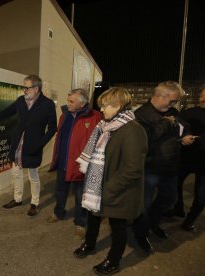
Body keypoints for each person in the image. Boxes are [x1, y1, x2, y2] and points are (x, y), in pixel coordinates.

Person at [72, 87, 147, 275]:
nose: (102, 110)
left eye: (105, 106)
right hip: (100, 185)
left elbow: (132, 169)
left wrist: (108, 189)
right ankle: (89, 244)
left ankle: (113, 260)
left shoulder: (133, 131)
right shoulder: (104, 126)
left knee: (117, 226)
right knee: (93, 216)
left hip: (119, 190)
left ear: (118, 105)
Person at [0, 75, 56, 217]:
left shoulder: (47, 104)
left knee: (33, 176)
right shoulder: (20, 101)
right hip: (18, 144)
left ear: (36, 88)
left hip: (33, 146)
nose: (24, 90)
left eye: (27, 87)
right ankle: (17, 199)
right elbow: (5, 112)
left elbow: (53, 128)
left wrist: (40, 144)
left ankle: (34, 204)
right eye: (23, 87)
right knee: (16, 173)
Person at [132, 81, 195, 253]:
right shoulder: (141, 114)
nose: (174, 105)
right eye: (173, 101)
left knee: (169, 199)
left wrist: (186, 134)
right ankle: (140, 233)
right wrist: (165, 123)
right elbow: (145, 140)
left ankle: (153, 222)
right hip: (150, 167)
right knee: (143, 206)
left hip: (170, 166)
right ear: (161, 96)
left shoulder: (172, 111)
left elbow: (183, 125)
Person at [48, 89, 102, 235]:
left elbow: (100, 142)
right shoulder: (64, 115)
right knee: (60, 191)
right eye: (68, 100)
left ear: (82, 103)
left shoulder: (96, 117)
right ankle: (58, 212)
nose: (68, 103)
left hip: (81, 165)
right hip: (63, 162)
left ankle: (80, 222)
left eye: (71, 101)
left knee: (80, 196)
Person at [170, 86, 205, 231]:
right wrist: (181, 137)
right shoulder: (190, 112)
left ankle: (189, 221)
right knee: (174, 183)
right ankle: (178, 208)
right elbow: (177, 128)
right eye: (202, 92)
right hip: (186, 156)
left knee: (201, 195)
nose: (201, 95)